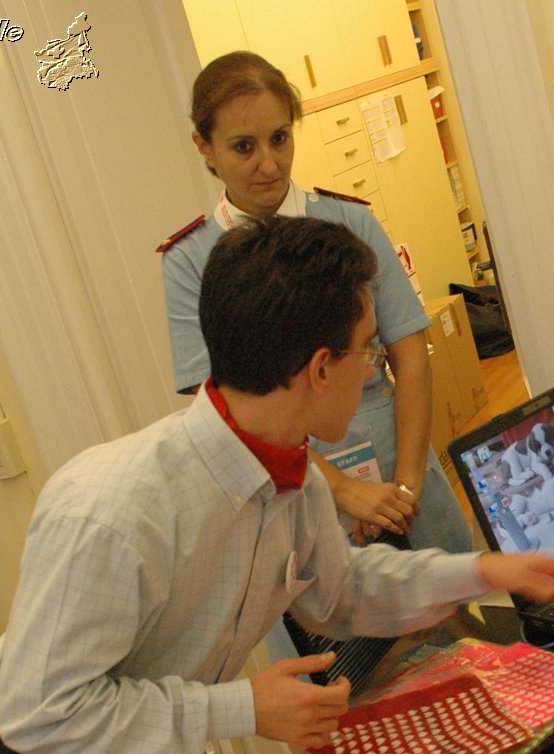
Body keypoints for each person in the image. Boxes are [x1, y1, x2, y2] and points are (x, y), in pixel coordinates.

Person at [0, 216, 554, 754]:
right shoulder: (115, 512)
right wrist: (239, 708)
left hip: (170, 740)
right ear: (320, 368)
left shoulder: (287, 465)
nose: (373, 370)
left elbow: (342, 592)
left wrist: (485, 570)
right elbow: (45, 711)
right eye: (366, 354)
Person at [160, 50, 472, 554]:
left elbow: (410, 356)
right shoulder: (189, 260)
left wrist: (407, 485)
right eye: (244, 147)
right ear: (205, 147)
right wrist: (345, 490)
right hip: (288, 474)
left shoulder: (352, 224)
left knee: (451, 608)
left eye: (279, 139)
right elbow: (217, 405)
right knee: (335, 625)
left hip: (394, 447)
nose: (269, 163)